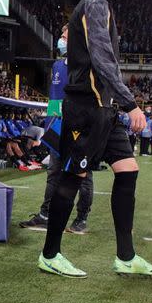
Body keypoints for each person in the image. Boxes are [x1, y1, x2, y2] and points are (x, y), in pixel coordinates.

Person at [38, 0, 152, 278]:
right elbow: (102, 60)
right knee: (72, 178)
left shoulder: (103, 6)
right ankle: (49, 254)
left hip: (105, 111)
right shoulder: (93, 4)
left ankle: (125, 256)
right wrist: (131, 102)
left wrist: (118, 104)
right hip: (86, 109)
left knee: (128, 170)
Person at [20, 27, 94, 234]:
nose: (60, 41)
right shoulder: (57, 66)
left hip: (80, 130)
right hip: (57, 129)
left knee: (83, 175)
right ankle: (45, 215)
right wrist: (49, 128)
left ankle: (81, 219)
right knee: (53, 172)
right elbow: (53, 100)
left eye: (64, 37)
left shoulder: (87, 67)